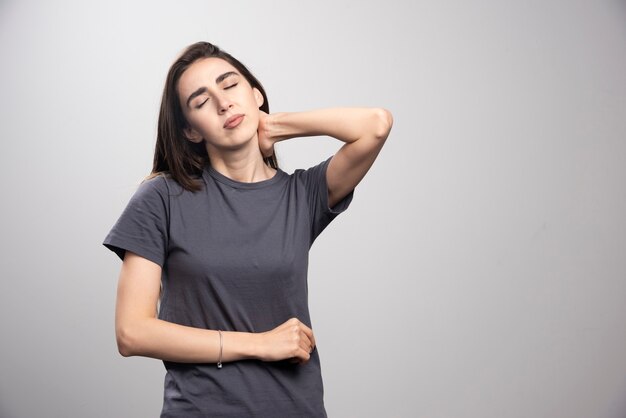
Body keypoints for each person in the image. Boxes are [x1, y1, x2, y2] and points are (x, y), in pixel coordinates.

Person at [103, 41, 393, 418]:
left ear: (255, 93)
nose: (223, 103)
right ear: (191, 131)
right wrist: (260, 344)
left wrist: (275, 124)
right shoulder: (162, 198)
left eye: (230, 85)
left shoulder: (302, 195)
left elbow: (376, 125)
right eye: (201, 101)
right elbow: (132, 332)